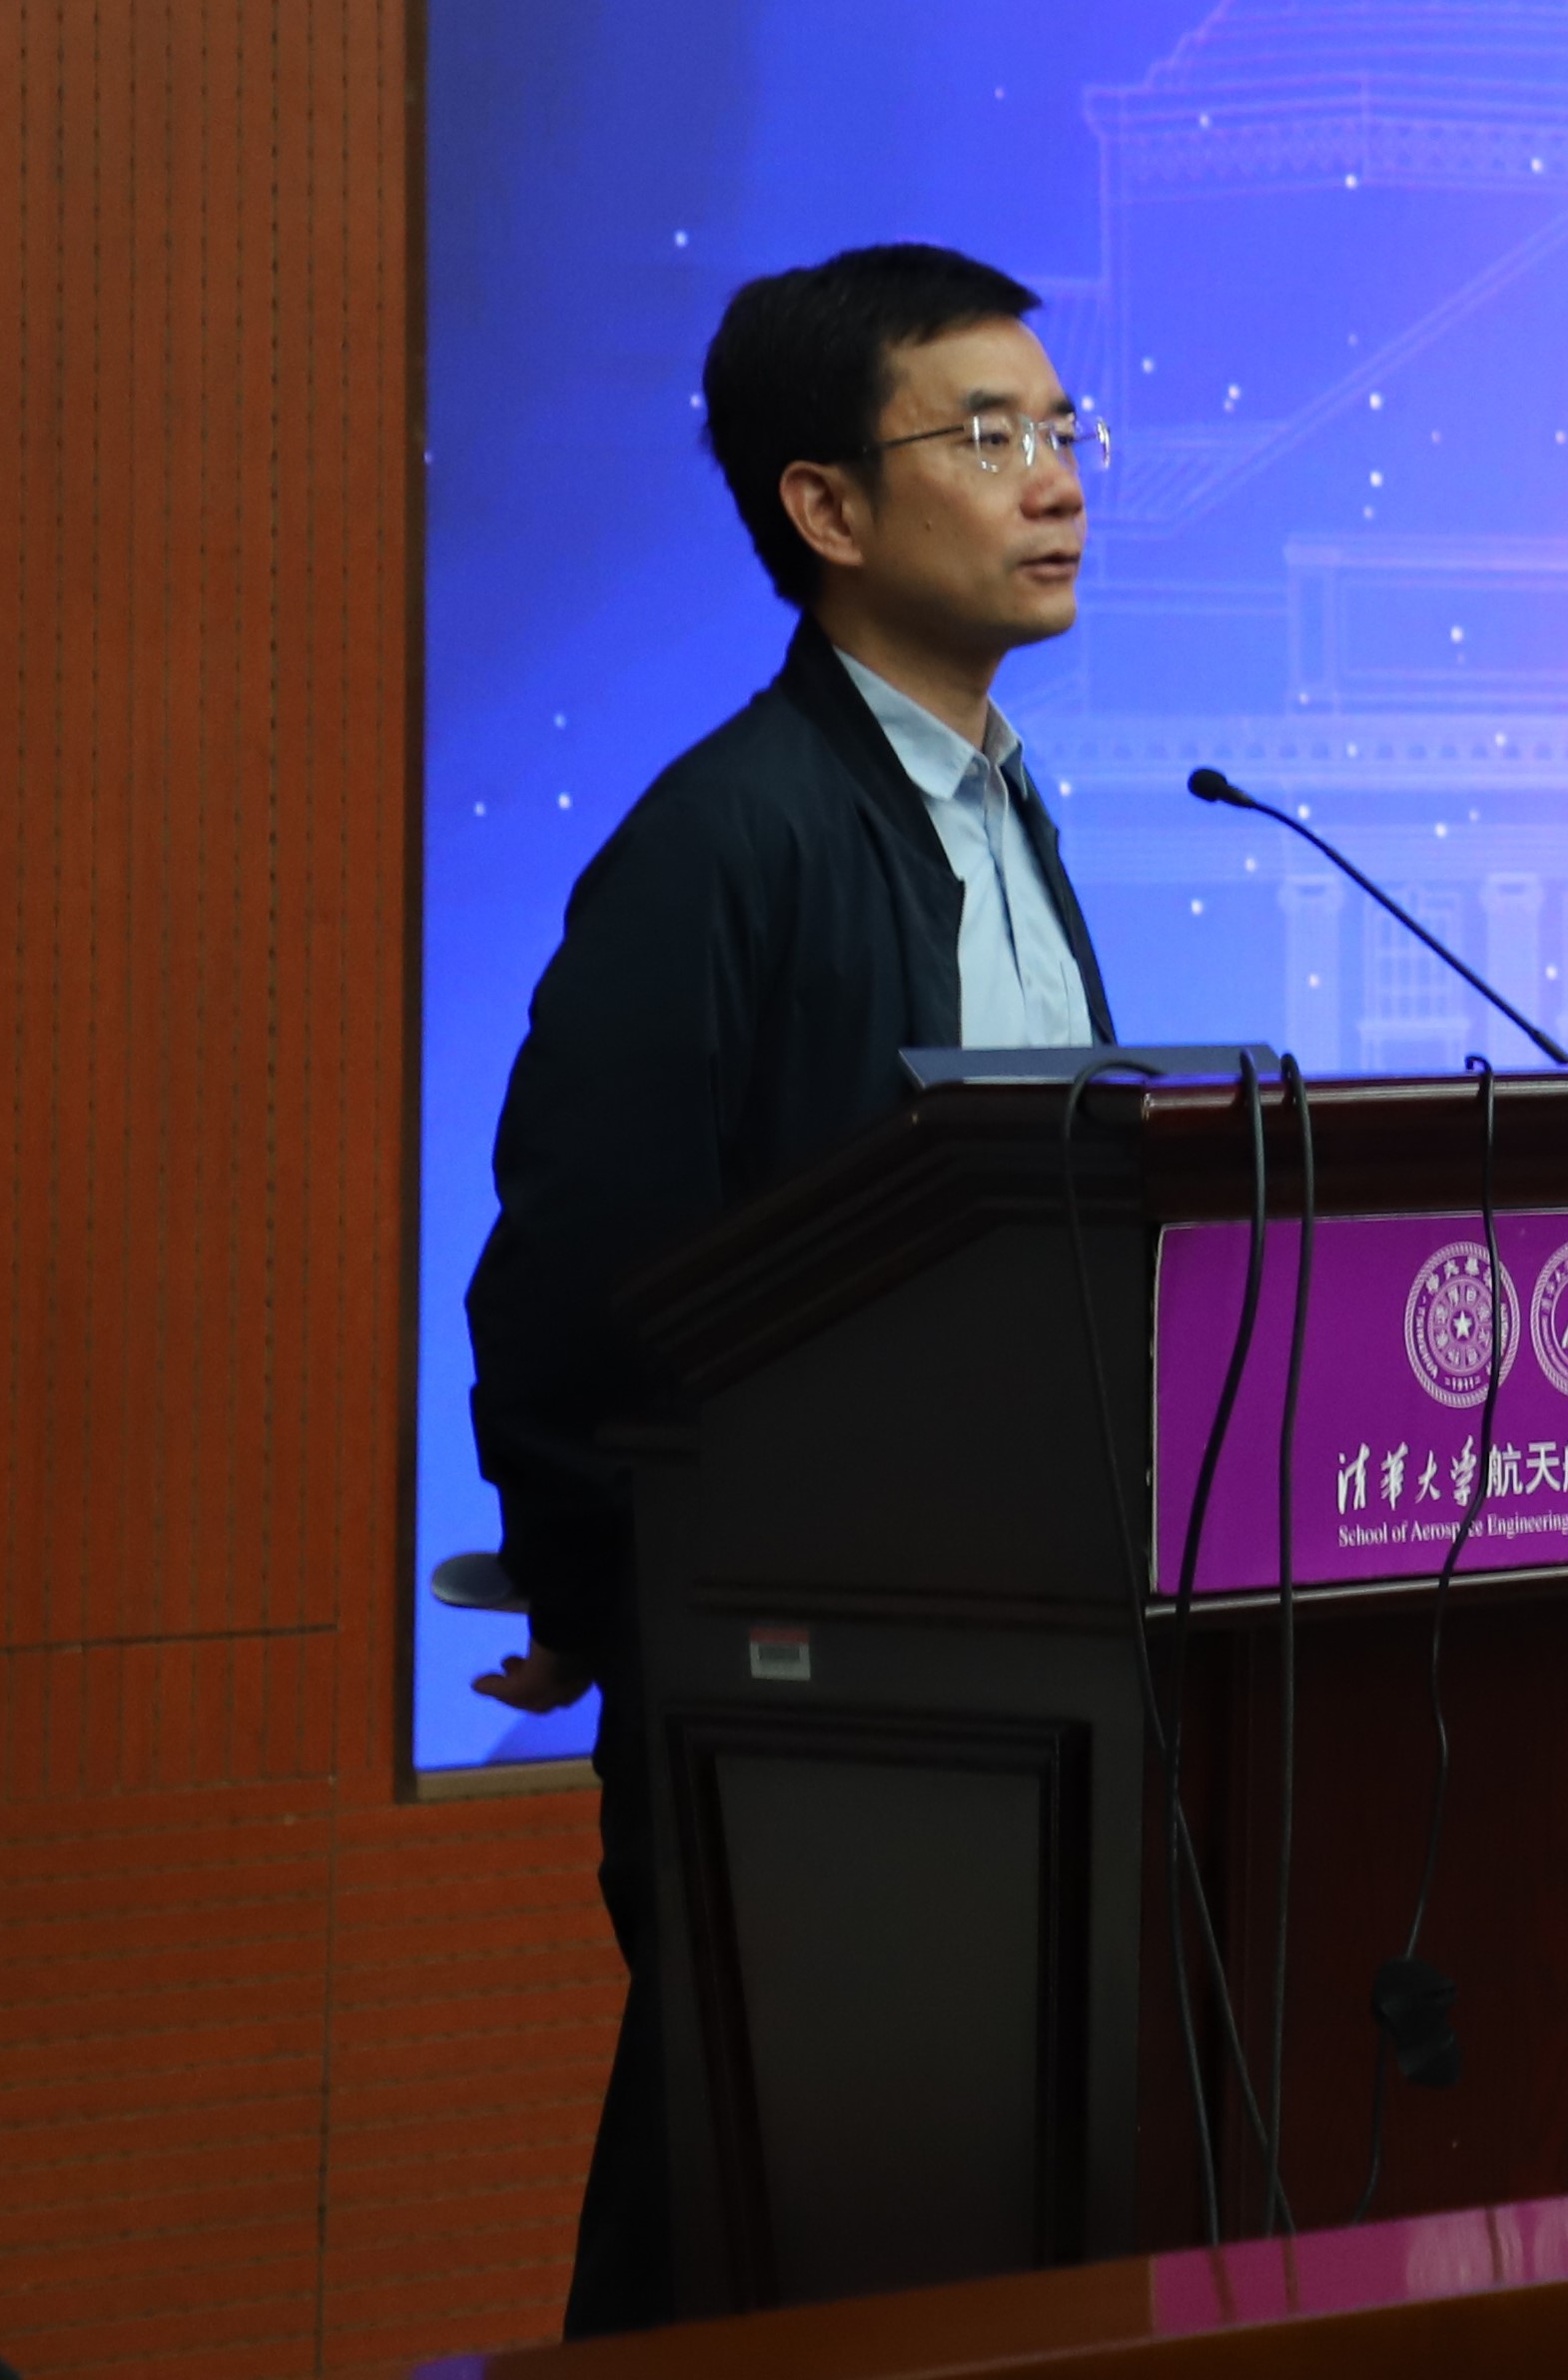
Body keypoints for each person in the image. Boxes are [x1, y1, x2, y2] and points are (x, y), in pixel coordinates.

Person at [462, 242, 1118, 2337]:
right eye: (985, 436)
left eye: (1061, 430)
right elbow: (576, 1267)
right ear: (823, 506)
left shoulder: (1006, 815)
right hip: (799, 1674)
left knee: (930, 2214)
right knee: (753, 2201)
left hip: (1021, 1649)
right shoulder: (725, 838)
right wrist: (621, 1591)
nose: (1053, 481)